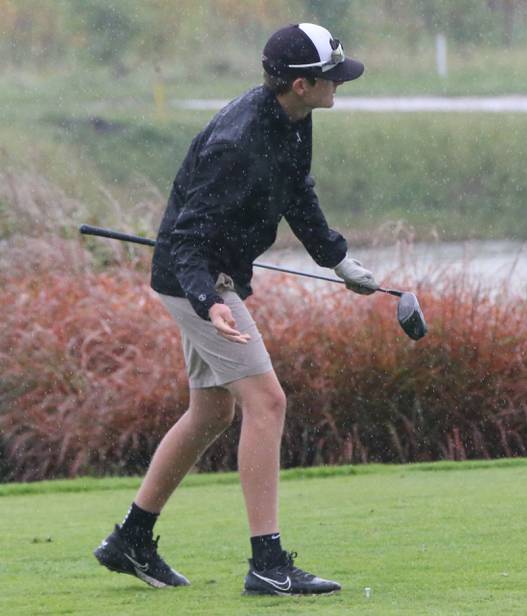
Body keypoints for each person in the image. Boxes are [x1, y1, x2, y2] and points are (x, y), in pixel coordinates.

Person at [93, 22, 377, 596]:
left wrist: (338, 262)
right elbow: (188, 238)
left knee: (211, 414)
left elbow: (298, 192)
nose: (338, 86)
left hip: (210, 280)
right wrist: (208, 301)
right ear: (300, 84)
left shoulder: (296, 120)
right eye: (330, 78)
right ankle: (267, 564)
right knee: (267, 402)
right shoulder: (238, 141)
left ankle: (131, 538)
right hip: (196, 280)